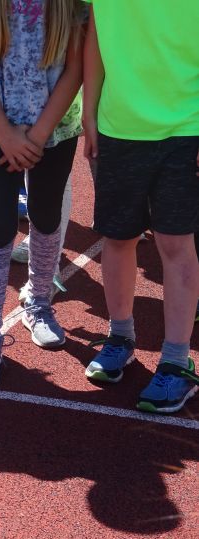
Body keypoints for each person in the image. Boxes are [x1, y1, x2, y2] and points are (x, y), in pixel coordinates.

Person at [83, 0, 199, 414]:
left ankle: (176, 360)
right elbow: (96, 35)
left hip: (186, 126)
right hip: (119, 126)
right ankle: (120, 337)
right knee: (117, 238)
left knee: (175, 243)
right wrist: (89, 111)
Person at [0, 0, 85, 387]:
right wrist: (4, 133)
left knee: (46, 217)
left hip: (56, 131)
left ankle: (38, 300)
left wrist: (37, 136)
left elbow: (75, 68)